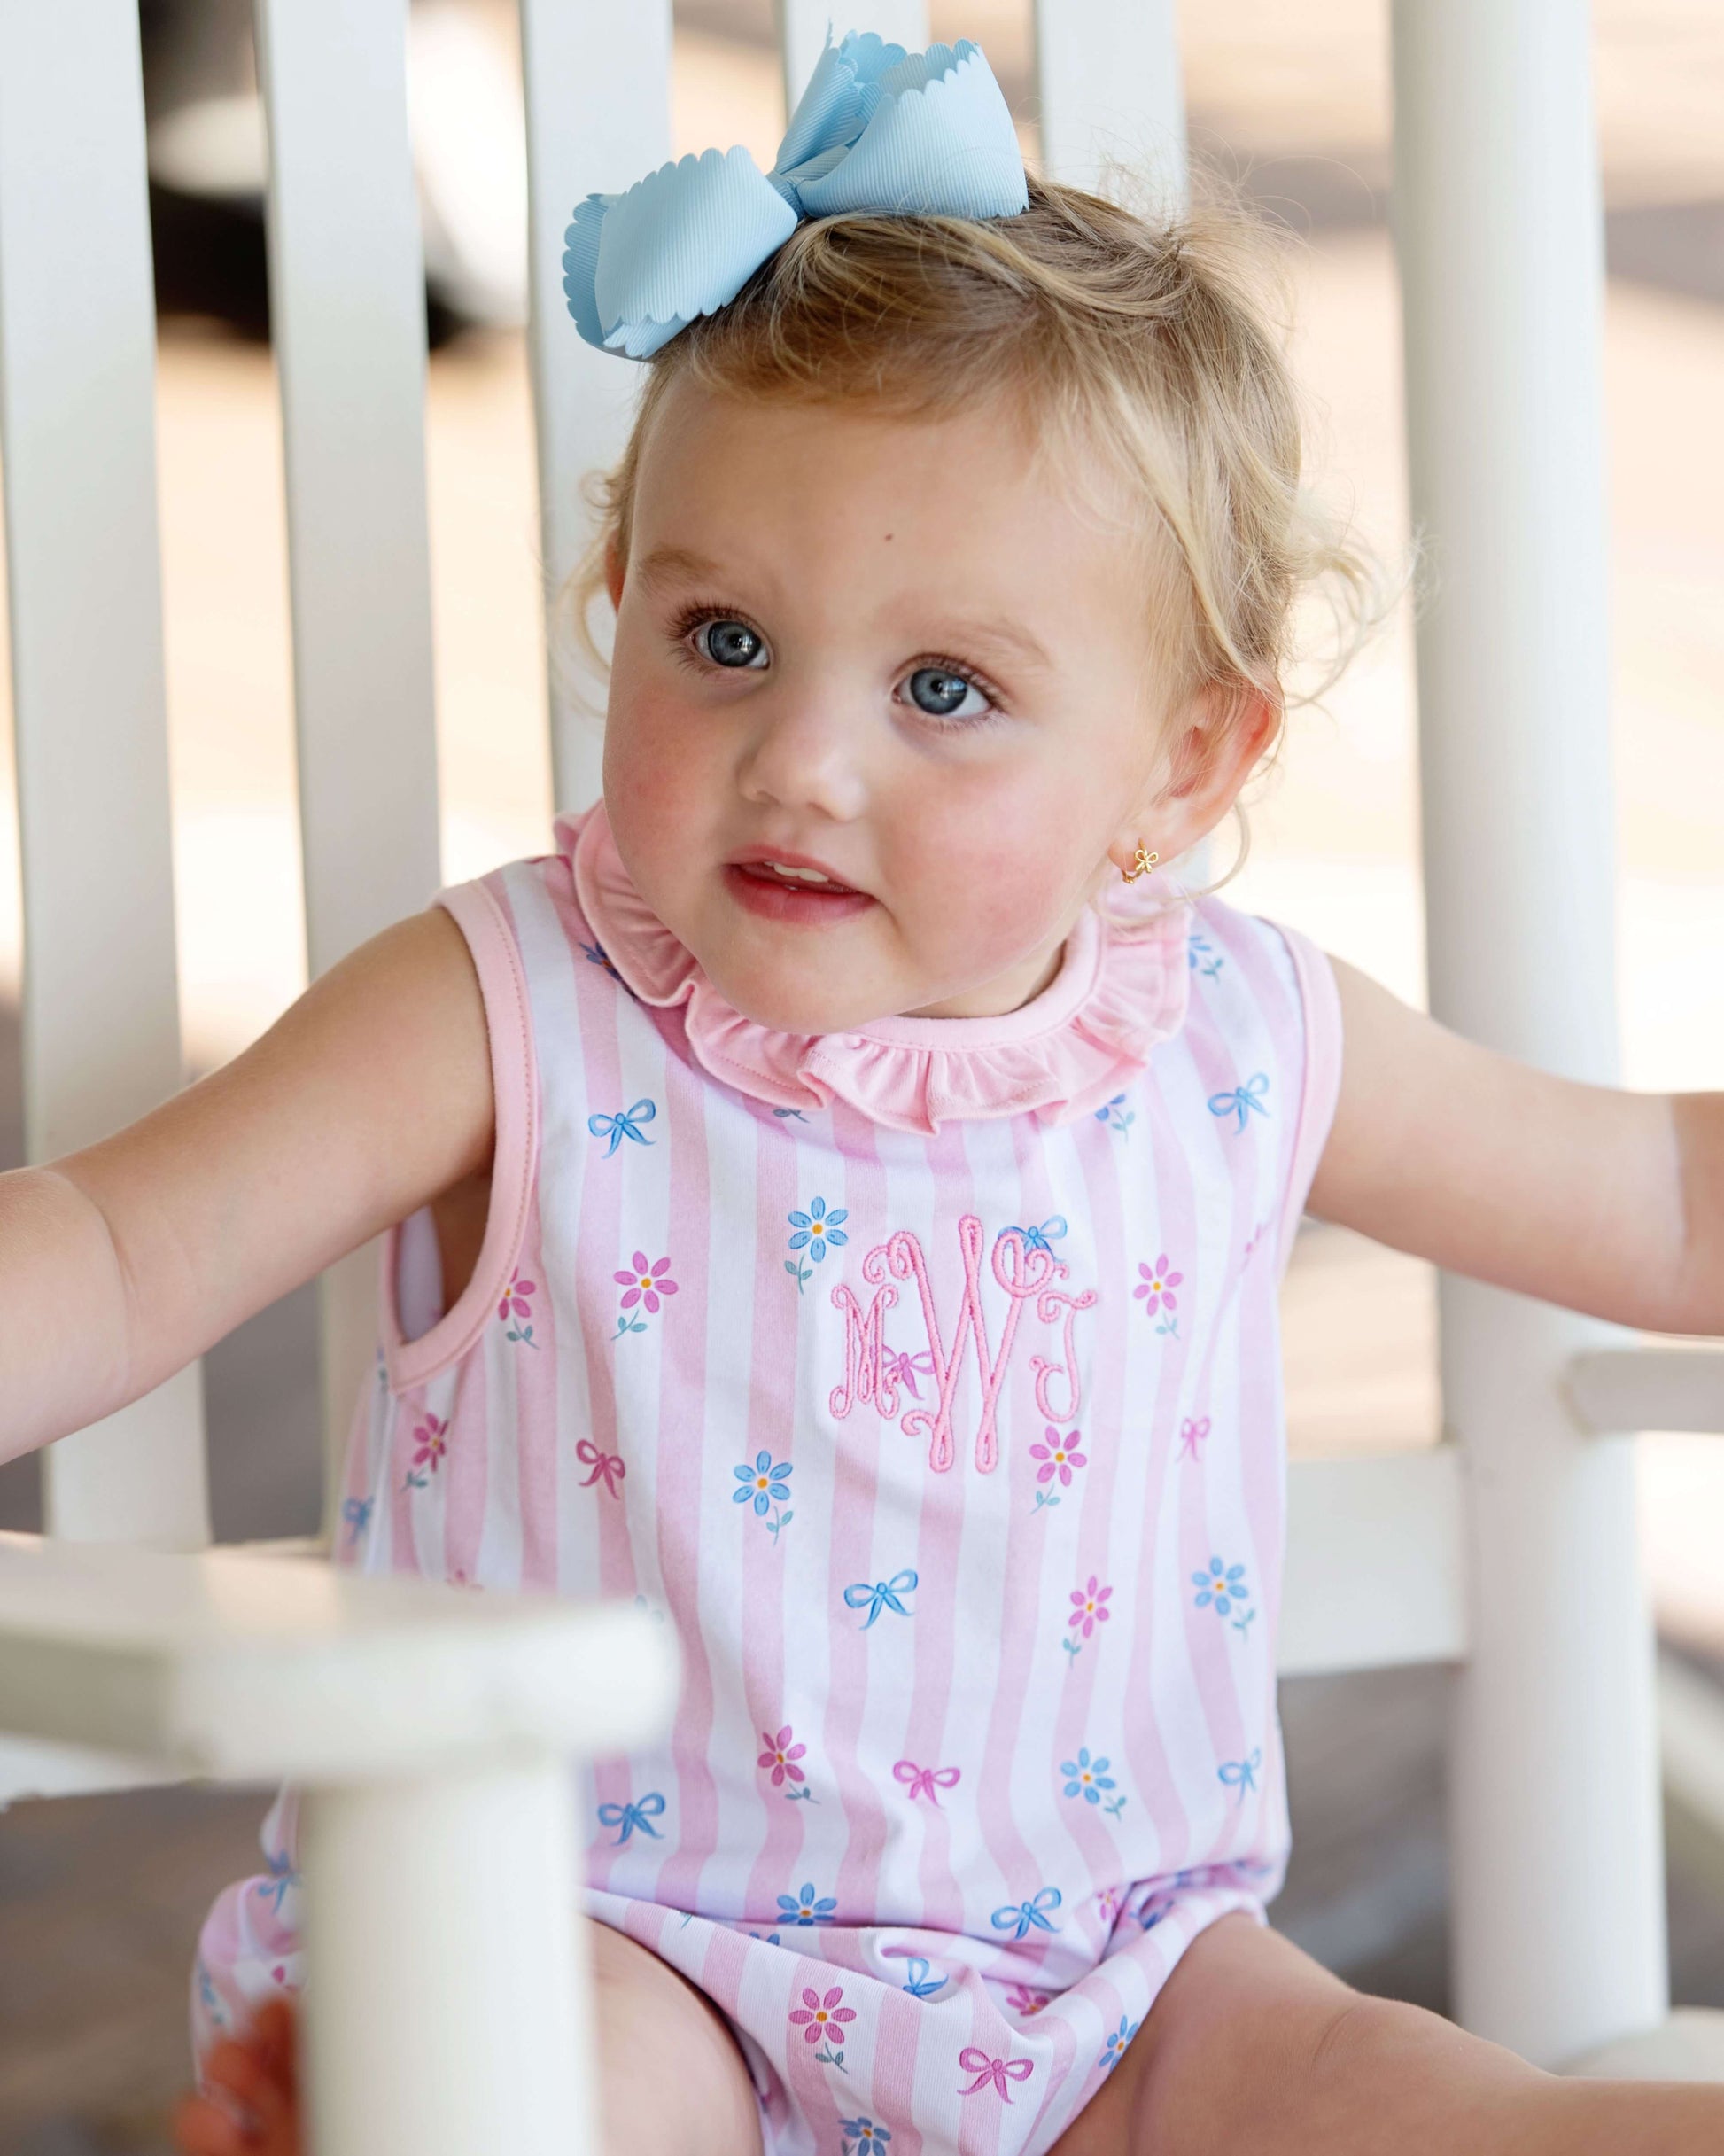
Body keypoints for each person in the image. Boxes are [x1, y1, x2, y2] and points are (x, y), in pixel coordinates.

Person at [4, 29, 1720, 2156]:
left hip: (1120, 1990)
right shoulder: (514, 1000)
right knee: (536, 2086)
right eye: (722, 637)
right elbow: (100, 1244)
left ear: (1183, 763)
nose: (803, 758)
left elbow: (1655, 1194)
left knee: (1408, 2094)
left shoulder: (1243, 1039)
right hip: (610, 1936)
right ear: (613, 604)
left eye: (942, 688)